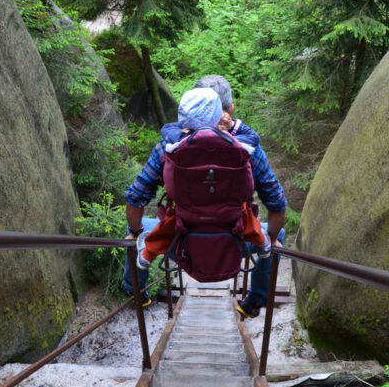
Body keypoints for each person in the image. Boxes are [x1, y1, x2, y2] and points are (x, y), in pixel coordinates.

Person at [123, 88, 287, 319]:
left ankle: (136, 291)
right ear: (218, 114)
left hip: (180, 240)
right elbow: (277, 205)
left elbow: (135, 200)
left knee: (134, 234)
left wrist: (134, 231)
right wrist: (270, 238)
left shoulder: (167, 148)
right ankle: (254, 302)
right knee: (277, 236)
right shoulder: (247, 150)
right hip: (235, 239)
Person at [129, 88, 271, 271]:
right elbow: (253, 138)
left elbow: (135, 196)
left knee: (158, 224)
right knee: (265, 226)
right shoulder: (238, 146)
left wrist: (134, 230)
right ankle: (262, 244)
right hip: (233, 225)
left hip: (184, 227)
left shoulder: (172, 146)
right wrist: (234, 125)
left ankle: (147, 255)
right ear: (218, 114)